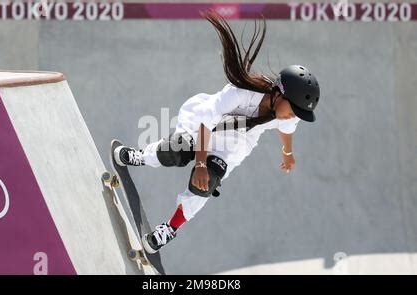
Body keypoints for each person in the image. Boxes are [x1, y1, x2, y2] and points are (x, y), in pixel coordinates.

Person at [111, 11, 320, 254]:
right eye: (293, 109)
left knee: (205, 185)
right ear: (278, 93)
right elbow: (204, 124)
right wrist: (199, 162)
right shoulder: (241, 92)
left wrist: (287, 153)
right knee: (174, 150)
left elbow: (287, 130)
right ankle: (141, 156)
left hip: (231, 148)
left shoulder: (284, 114)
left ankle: (169, 228)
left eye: (298, 113)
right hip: (202, 124)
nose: (292, 115)